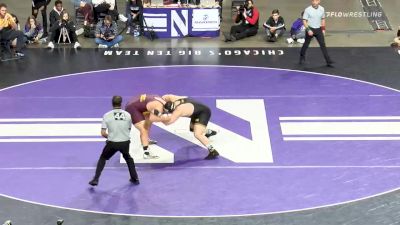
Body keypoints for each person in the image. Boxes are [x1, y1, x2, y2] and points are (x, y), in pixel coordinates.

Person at [89, 96, 139, 186]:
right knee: (128, 158)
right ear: (121, 103)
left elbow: (103, 133)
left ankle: (95, 179)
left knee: (103, 158)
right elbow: (128, 129)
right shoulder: (128, 115)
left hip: (112, 143)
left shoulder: (107, 115)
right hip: (125, 142)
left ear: (112, 103)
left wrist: (110, 136)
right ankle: (134, 177)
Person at [162, 94, 219, 160]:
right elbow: (164, 97)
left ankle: (213, 151)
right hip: (197, 110)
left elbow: (168, 123)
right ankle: (209, 132)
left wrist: (159, 117)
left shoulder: (178, 110)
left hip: (203, 113)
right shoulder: (173, 98)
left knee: (197, 134)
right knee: (192, 129)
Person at [125, 94, 167, 159]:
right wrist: (162, 116)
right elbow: (154, 112)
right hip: (132, 108)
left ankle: (145, 139)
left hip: (141, 105)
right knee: (144, 129)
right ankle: (146, 153)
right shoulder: (158, 106)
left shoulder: (161, 100)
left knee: (149, 122)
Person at [299, 0, 333, 67]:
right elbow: (304, 21)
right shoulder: (307, 10)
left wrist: (323, 29)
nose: (314, 2)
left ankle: (328, 61)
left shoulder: (322, 9)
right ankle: (302, 56)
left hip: (318, 29)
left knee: (322, 44)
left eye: (316, 1)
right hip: (310, 28)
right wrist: (308, 30)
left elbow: (323, 19)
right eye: (313, 1)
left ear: (319, 1)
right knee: (306, 44)